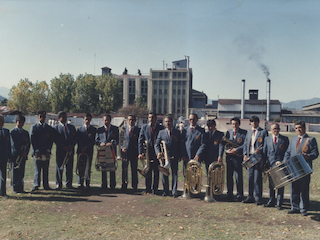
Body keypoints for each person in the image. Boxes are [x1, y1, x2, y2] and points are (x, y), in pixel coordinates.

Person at [284, 120, 319, 216]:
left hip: (304, 168)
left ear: (304, 128)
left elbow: (316, 153)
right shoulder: (294, 139)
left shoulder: (310, 139)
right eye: (296, 128)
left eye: (300, 127)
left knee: (304, 189)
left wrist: (309, 156)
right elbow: (288, 152)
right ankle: (294, 207)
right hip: (293, 168)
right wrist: (285, 162)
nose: (298, 129)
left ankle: (303, 208)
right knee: (294, 188)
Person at [242, 116, 268, 205]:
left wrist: (261, 150)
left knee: (257, 179)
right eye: (252, 122)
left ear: (258, 122)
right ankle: (250, 196)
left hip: (258, 158)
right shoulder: (248, 133)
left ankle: (258, 198)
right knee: (250, 178)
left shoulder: (263, 132)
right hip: (250, 158)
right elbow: (245, 144)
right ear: (250, 123)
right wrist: (245, 154)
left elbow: (266, 144)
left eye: (255, 122)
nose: (254, 123)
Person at [263, 123, 289, 210]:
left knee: (280, 184)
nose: (275, 130)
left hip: (280, 165)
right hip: (270, 165)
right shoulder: (267, 139)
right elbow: (265, 152)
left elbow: (287, 152)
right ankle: (271, 201)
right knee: (271, 185)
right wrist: (264, 164)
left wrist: (282, 161)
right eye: (274, 129)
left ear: (279, 129)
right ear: (271, 130)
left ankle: (279, 203)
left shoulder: (284, 139)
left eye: (277, 128)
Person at [138, 111, 164, 194]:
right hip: (148, 153)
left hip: (157, 153)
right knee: (148, 171)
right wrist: (140, 152)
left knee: (156, 172)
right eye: (149, 117)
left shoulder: (161, 128)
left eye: (153, 117)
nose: (151, 119)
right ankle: (148, 188)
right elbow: (140, 140)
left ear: (156, 118)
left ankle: (155, 189)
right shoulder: (144, 127)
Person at [155, 116, 180, 197]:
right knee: (164, 174)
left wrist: (180, 155)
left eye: (169, 121)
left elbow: (180, 144)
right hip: (164, 158)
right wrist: (158, 152)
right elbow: (156, 144)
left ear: (172, 122)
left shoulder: (177, 132)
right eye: (166, 121)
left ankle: (174, 192)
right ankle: (165, 191)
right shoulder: (161, 132)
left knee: (174, 174)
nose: (167, 123)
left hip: (174, 156)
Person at [30, 110, 54, 192]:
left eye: (43, 116)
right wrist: (36, 150)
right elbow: (33, 140)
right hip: (37, 152)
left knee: (45, 169)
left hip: (46, 152)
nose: (42, 118)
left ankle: (46, 185)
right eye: (40, 116)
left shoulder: (49, 128)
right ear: (38, 117)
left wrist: (48, 150)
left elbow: (51, 140)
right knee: (37, 169)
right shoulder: (34, 127)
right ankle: (36, 185)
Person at [224, 117, 247, 201]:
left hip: (238, 158)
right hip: (229, 158)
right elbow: (225, 144)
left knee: (238, 177)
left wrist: (236, 150)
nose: (234, 125)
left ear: (239, 124)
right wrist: (227, 150)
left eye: (236, 123)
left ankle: (240, 195)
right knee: (229, 177)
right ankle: (229, 194)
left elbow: (245, 144)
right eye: (233, 124)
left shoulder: (244, 132)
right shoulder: (228, 132)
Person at [53, 111, 77, 189]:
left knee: (69, 168)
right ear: (58, 118)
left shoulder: (71, 127)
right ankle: (58, 184)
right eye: (62, 117)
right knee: (59, 168)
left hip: (70, 151)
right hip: (61, 151)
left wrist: (72, 146)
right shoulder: (55, 128)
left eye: (65, 117)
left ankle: (69, 184)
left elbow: (75, 138)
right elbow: (56, 139)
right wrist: (63, 146)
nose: (64, 118)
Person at [95, 114, 119, 191]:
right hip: (103, 151)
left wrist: (112, 143)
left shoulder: (115, 129)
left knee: (112, 168)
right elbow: (96, 140)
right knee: (103, 168)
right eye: (105, 120)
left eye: (108, 120)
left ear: (110, 120)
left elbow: (118, 140)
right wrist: (100, 143)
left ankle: (112, 185)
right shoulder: (99, 130)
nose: (106, 122)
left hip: (111, 151)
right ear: (102, 121)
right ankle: (104, 184)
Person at [10, 115, 30, 193]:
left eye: (22, 122)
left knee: (21, 172)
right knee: (15, 172)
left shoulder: (26, 132)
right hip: (15, 155)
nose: (21, 124)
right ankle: (15, 188)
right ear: (16, 122)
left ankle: (21, 188)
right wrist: (21, 152)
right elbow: (13, 144)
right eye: (19, 122)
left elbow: (28, 144)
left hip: (23, 156)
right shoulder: (12, 132)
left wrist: (25, 152)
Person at [120, 114, 140, 192]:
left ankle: (134, 186)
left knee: (134, 169)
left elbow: (139, 142)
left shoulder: (138, 130)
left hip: (134, 153)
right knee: (124, 169)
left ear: (135, 121)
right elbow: (121, 140)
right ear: (127, 121)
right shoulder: (123, 129)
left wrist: (138, 153)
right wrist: (122, 147)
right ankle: (124, 185)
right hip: (125, 153)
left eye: (132, 119)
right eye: (129, 119)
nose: (131, 121)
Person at [76, 113, 96, 189]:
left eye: (89, 119)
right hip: (80, 151)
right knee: (80, 167)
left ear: (91, 120)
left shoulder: (93, 130)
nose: (87, 121)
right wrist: (82, 148)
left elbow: (93, 141)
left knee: (88, 167)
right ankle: (80, 183)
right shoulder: (79, 129)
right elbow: (78, 140)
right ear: (83, 120)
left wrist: (86, 148)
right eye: (86, 119)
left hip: (89, 151)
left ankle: (87, 183)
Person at [0, 114, 11, 197]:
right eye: (1, 121)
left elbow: (9, 145)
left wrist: (9, 156)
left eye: (3, 121)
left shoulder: (6, 131)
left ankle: (3, 192)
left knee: (3, 176)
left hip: (4, 157)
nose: (2, 123)